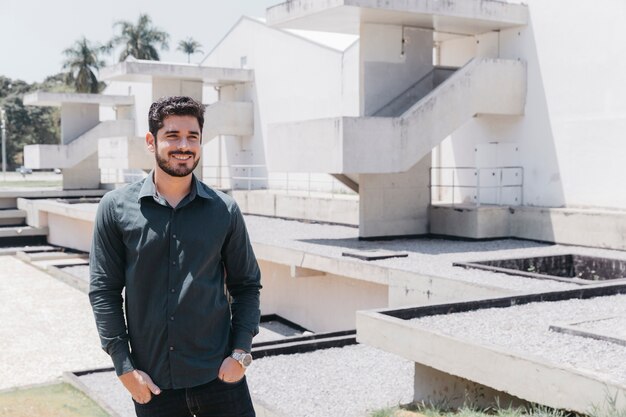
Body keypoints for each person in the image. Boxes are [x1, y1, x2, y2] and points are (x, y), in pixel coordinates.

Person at [89, 96, 261, 417]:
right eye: (172, 136)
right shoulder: (114, 208)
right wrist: (124, 368)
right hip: (153, 385)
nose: (184, 145)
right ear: (151, 142)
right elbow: (104, 293)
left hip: (221, 379)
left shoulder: (224, 210)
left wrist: (241, 353)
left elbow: (247, 286)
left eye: (192, 137)